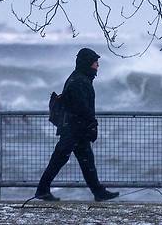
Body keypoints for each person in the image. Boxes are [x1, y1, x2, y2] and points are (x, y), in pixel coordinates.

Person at [35, 48, 119, 202]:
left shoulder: (79, 78)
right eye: (95, 62)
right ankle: (42, 190)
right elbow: (81, 108)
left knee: (85, 161)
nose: (98, 66)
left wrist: (88, 125)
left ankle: (98, 192)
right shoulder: (79, 81)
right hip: (73, 130)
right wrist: (92, 124)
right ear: (88, 63)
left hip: (76, 129)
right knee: (60, 159)